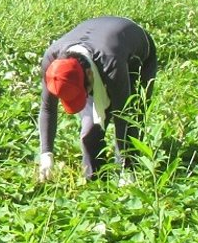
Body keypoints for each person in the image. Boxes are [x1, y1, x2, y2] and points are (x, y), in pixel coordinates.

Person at [37, 16, 156, 183]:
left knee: (133, 116)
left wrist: (127, 168)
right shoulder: (53, 65)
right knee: (89, 134)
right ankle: (96, 182)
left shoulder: (111, 64)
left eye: (83, 94)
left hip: (136, 53)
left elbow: (124, 115)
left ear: (89, 74)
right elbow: (48, 108)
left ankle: (128, 174)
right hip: (97, 44)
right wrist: (46, 155)